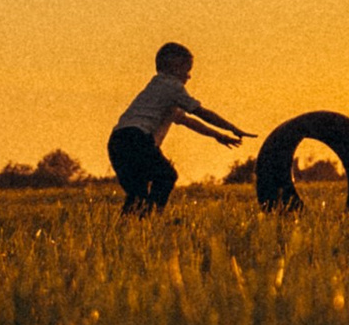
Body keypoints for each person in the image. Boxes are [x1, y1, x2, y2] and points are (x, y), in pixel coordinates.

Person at [106, 42, 247, 213]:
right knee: (167, 176)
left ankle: (132, 227)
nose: (188, 77)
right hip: (137, 138)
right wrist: (232, 127)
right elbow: (200, 112)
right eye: (186, 70)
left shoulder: (156, 90)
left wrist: (217, 135)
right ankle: (152, 217)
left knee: (137, 194)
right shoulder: (171, 86)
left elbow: (186, 120)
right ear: (174, 67)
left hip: (117, 142)